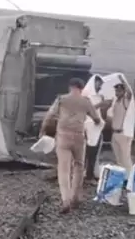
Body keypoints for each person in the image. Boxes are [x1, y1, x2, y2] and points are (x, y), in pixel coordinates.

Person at [40, 78, 101, 213]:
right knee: (79, 166)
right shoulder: (86, 101)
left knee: (63, 169)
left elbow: (49, 116)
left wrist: (43, 130)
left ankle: (65, 200)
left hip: (63, 136)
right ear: (81, 88)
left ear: (70, 87)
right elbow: (97, 119)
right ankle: (75, 197)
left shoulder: (61, 99)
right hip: (79, 137)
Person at [83, 76, 111, 183]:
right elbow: (86, 110)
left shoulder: (100, 96)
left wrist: (105, 106)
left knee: (95, 151)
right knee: (88, 151)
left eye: (100, 84)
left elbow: (101, 113)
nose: (100, 86)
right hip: (88, 125)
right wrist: (100, 105)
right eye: (98, 83)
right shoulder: (86, 95)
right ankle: (87, 174)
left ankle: (91, 173)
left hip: (97, 126)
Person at [109, 76, 134, 173]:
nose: (117, 92)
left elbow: (130, 94)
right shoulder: (116, 102)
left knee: (126, 158)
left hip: (123, 133)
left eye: (119, 91)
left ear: (123, 91)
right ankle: (122, 178)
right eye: (116, 90)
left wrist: (123, 80)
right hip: (115, 133)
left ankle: (129, 179)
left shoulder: (125, 101)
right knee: (118, 158)